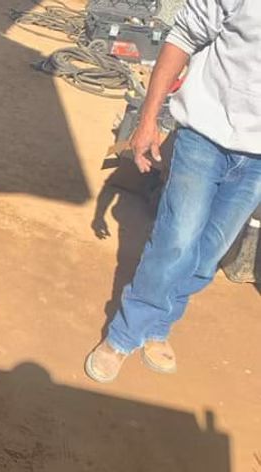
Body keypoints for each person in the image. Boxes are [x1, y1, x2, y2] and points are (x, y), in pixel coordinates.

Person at [85, 0, 261, 383]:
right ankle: (124, 334)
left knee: (207, 253)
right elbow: (181, 37)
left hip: (258, 161)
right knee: (176, 241)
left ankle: (160, 323)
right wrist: (147, 120)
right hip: (204, 136)